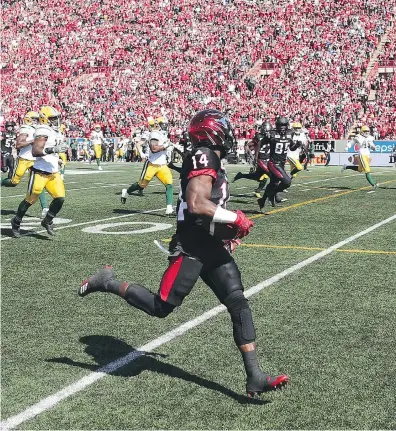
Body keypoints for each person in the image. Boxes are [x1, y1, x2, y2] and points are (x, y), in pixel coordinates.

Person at [79, 109, 288, 397]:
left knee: (238, 303)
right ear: (211, 131)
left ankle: (255, 376)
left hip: (210, 245)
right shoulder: (204, 154)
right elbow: (197, 204)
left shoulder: (207, 155)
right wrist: (234, 219)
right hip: (191, 247)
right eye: (223, 128)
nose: (228, 133)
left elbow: (206, 207)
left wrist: (224, 232)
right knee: (160, 307)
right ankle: (106, 281)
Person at [11, 106, 68, 237]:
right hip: (40, 172)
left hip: (53, 173)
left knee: (60, 198)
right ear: (45, 118)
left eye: (56, 118)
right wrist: (53, 150)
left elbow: (51, 150)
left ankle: (47, 220)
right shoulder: (42, 130)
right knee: (29, 200)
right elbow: (36, 151)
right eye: (53, 118)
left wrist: (56, 159)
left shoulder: (55, 131)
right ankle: (16, 221)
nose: (56, 121)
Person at [121, 117, 174, 215]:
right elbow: (154, 149)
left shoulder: (161, 134)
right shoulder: (154, 134)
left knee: (169, 184)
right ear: (158, 124)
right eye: (163, 124)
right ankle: (127, 191)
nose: (165, 126)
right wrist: (166, 145)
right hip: (152, 165)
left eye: (166, 124)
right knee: (141, 185)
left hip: (162, 165)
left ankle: (169, 208)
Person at [1, 111, 49, 217]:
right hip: (24, 159)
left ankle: (45, 207)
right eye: (36, 119)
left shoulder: (38, 129)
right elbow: (18, 145)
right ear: (29, 120)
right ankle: (1, 181)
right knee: (14, 182)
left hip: (35, 160)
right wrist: (32, 141)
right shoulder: (26, 129)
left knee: (38, 183)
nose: (38, 121)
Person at [258, 116, 298, 210]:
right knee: (287, 182)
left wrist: (297, 145)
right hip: (273, 163)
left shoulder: (290, 133)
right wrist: (257, 157)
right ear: (277, 125)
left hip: (282, 164)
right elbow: (260, 143)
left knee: (273, 183)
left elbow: (292, 147)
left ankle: (262, 201)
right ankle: (272, 193)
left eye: (284, 125)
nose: (282, 127)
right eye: (280, 125)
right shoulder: (272, 134)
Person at [232, 121, 271, 198]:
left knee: (257, 176)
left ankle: (241, 175)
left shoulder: (271, 136)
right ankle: (261, 191)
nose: (268, 131)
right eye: (267, 129)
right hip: (260, 159)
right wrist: (251, 156)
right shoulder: (258, 136)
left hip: (267, 159)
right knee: (268, 174)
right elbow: (249, 145)